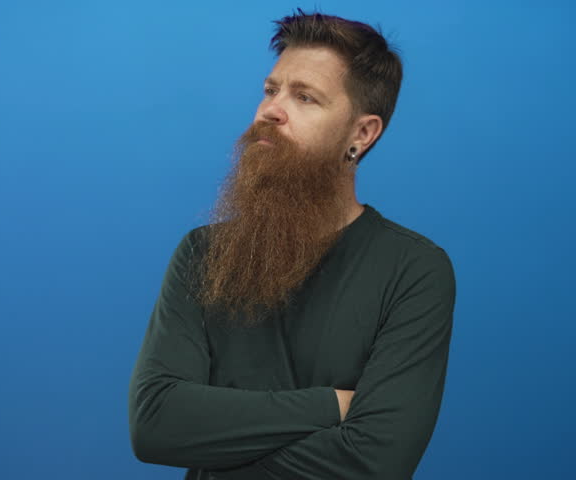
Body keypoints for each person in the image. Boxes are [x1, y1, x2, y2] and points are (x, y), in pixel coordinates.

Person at [128, 8, 457, 480]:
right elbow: (155, 424)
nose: (270, 111)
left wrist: (216, 444)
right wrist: (330, 406)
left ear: (361, 134)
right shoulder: (201, 254)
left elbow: (376, 463)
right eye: (270, 90)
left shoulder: (414, 270)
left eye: (305, 97)